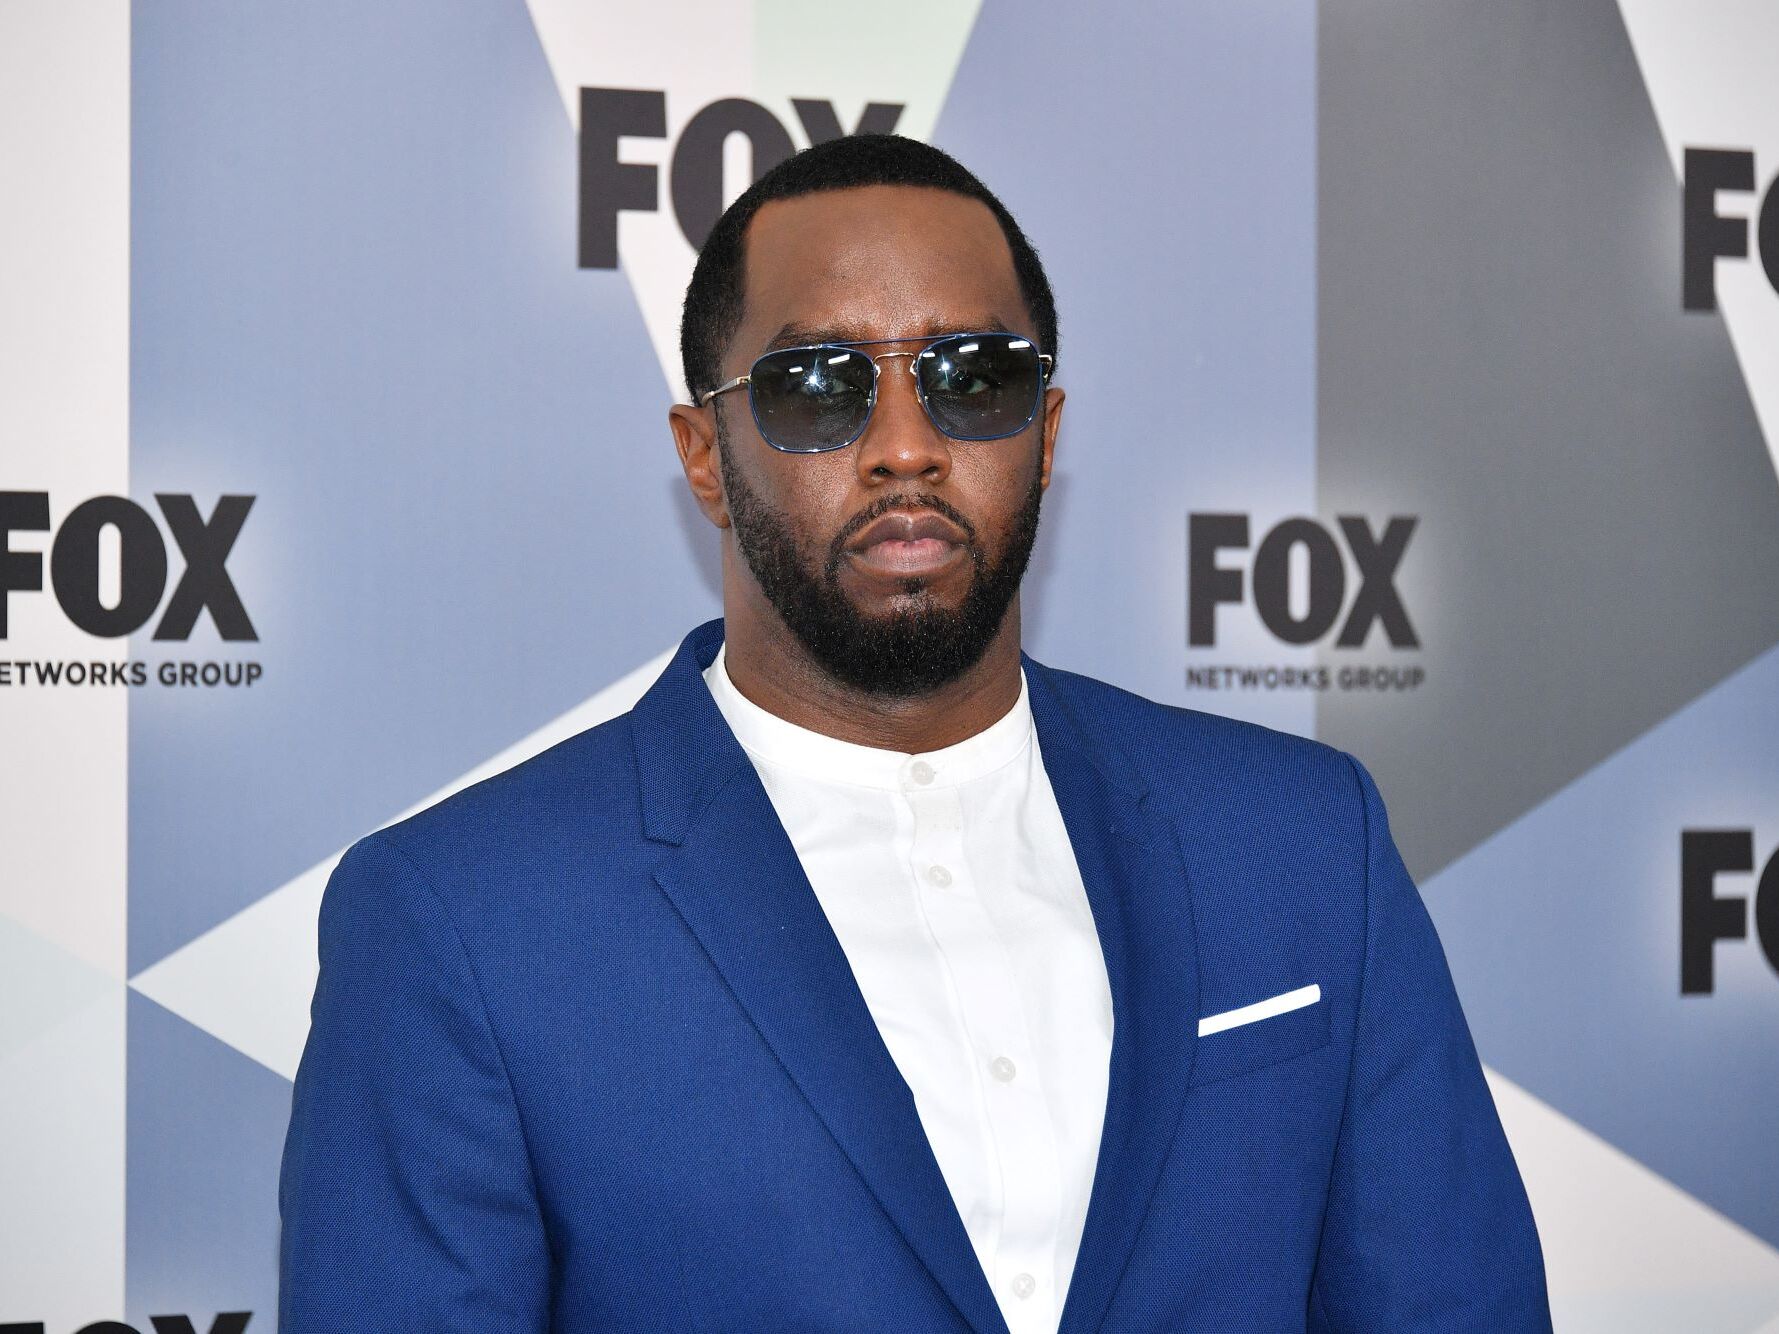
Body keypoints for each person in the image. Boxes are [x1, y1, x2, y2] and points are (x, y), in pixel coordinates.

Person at [279, 134, 1552, 1332]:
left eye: (973, 376)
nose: (905, 445)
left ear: (1046, 433)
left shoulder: (1301, 842)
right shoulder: (462, 918)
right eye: (818, 384)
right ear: (706, 455)